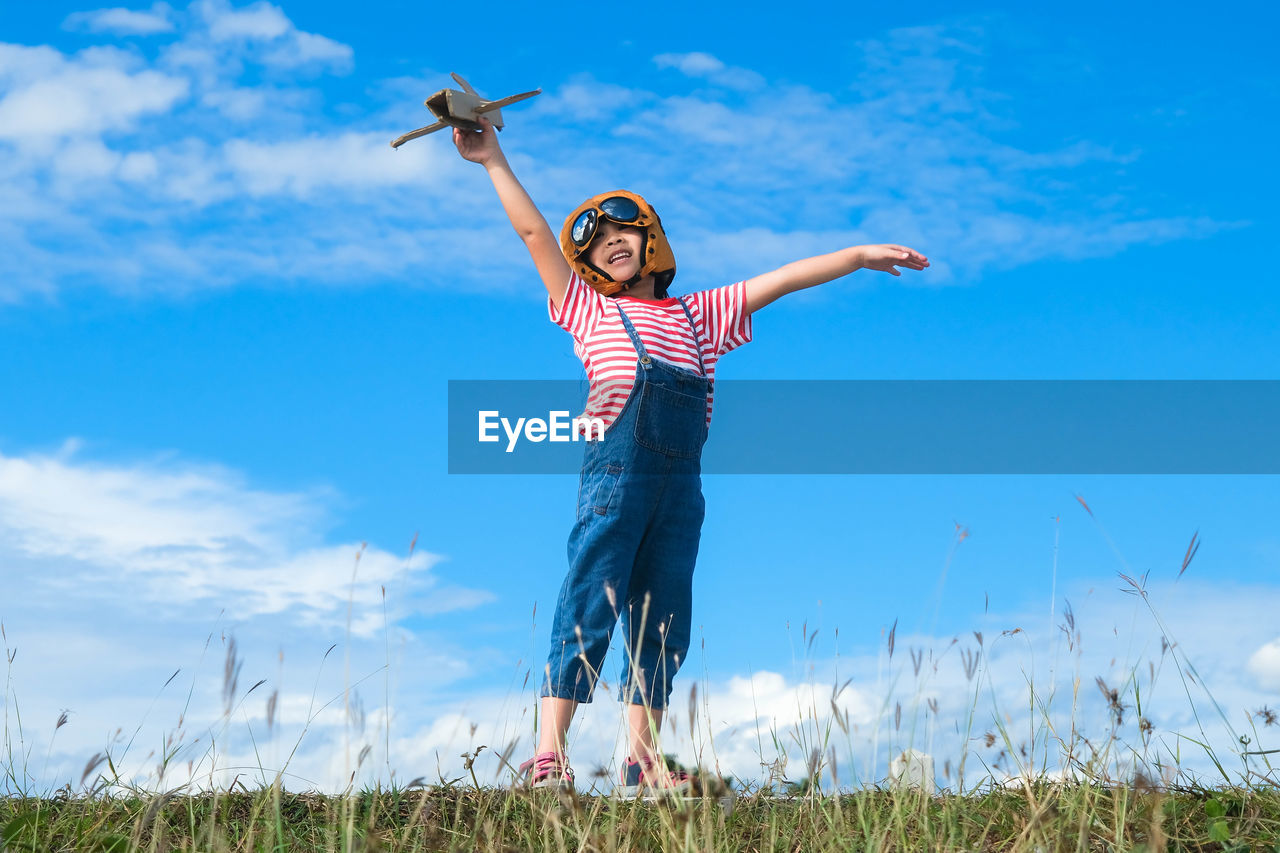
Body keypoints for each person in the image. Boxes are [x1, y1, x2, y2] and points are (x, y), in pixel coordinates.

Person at [453, 116, 928, 797]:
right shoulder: (585, 309)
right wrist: (492, 156)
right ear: (586, 266)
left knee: (662, 614)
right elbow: (533, 233)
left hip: (682, 488)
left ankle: (641, 759)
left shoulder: (698, 316)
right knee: (592, 595)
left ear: (651, 240)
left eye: (624, 231)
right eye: (599, 243)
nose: (613, 244)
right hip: (615, 476)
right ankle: (550, 755)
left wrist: (856, 255)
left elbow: (786, 278)